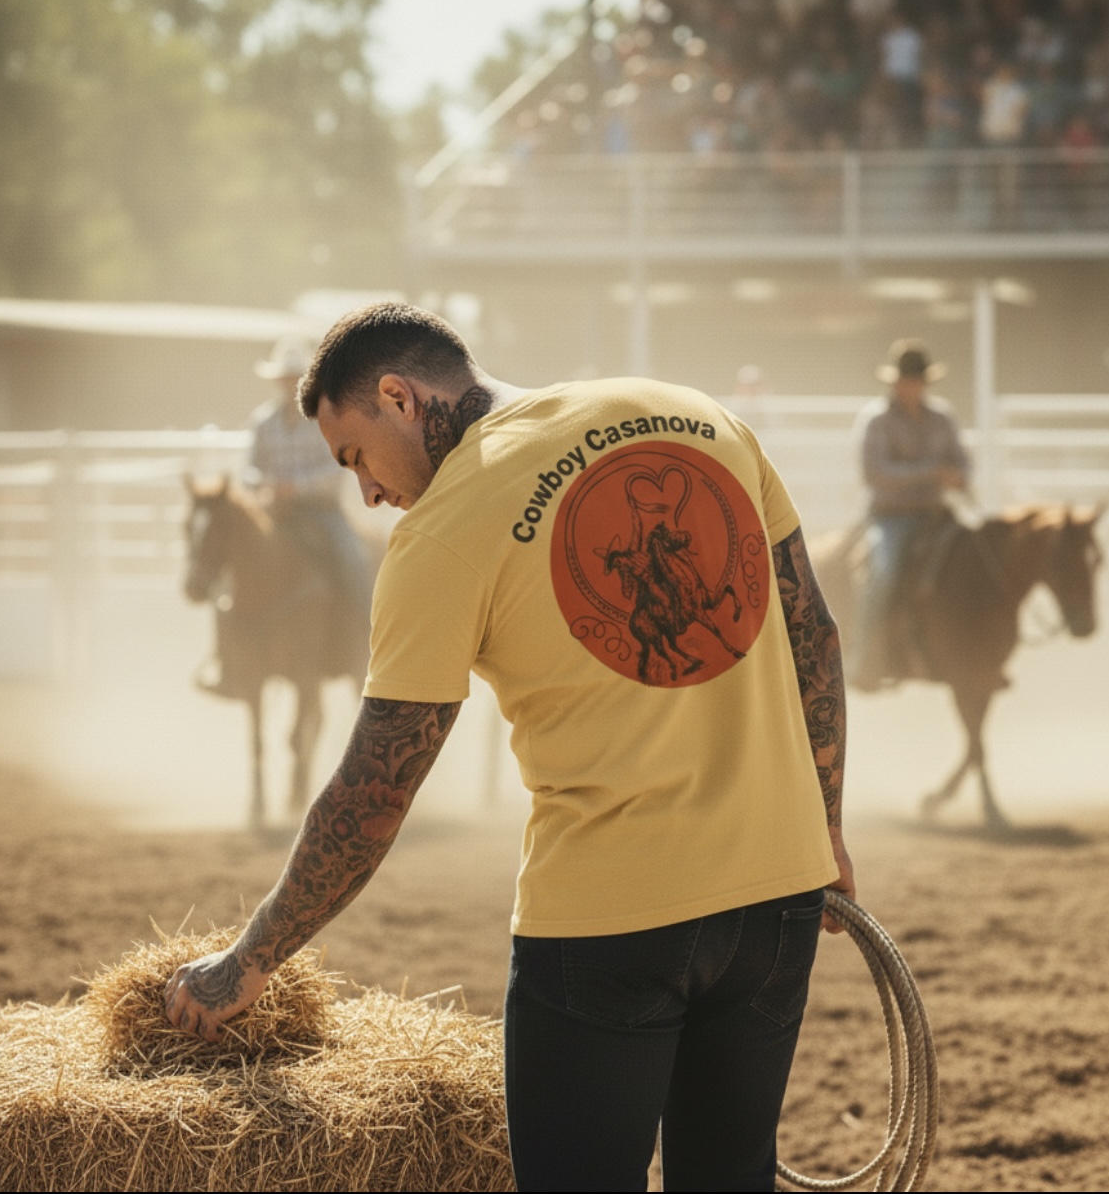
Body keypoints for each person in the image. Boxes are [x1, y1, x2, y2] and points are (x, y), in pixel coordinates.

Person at [165, 302, 854, 1192]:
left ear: (397, 397)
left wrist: (249, 959)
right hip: (779, 896)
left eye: (357, 458)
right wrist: (825, 831)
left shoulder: (440, 533)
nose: (368, 493)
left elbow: (375, 790)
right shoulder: (695, 414)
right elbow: (816, 636)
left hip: (610, 923)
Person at [848, 340, 970, 692]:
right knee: (883, 572)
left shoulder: (942, 417)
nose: (912, 387)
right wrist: (932, 471)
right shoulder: (877, 420)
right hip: (891, 517)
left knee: (976, 562)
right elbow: (875, 474)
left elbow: (962, 462)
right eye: (907, 380)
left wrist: (958, 476)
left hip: (937, 515)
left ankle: (974, 651)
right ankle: (863, 656)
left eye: (917, 381)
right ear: (896, 382)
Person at [245, 335, 373, 617]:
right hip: (274, 510)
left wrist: (294, 488)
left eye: (296, 378)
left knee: (352, 557)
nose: (291, 384)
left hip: (321, 510)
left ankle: (360, 624)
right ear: (278, 382)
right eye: (286, 378)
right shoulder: (263, 422)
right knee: (239, 557)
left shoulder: (323, 421)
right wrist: (265, 484)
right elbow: (250, 471)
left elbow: (337, 468)